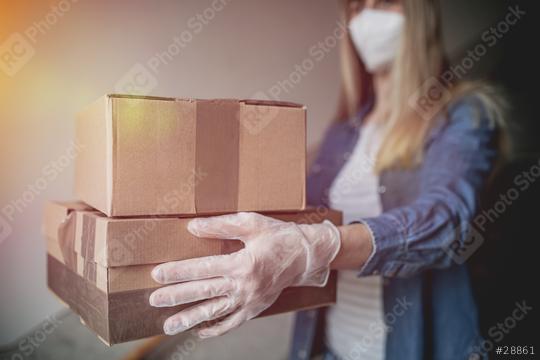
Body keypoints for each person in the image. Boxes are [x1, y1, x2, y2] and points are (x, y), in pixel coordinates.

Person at [148, 0, 506, 358]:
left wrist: (317, 246)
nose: (366, 18)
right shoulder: (342, 133)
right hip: (330, 345)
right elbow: (293, 218)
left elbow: (449, 220)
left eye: (383, 4)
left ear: (419, 14)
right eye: (356, 8)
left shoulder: (462, 115)